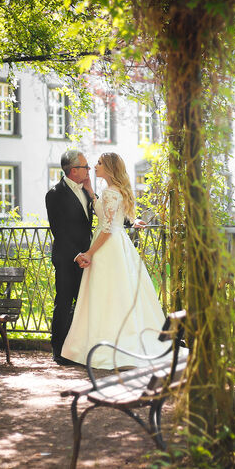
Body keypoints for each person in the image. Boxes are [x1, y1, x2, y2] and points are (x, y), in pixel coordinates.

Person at [61, 152, 167, 369]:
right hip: (119, 246)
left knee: (106, 296)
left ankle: (106, 346)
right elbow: (110, 215)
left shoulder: (110, 192)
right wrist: (90, 190)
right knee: (117, 296)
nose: (95, 166)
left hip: (107, 247)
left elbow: (107, 228)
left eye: (99, 163)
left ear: (108, 168)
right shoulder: (111, 191)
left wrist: (89, 253)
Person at [45, 150, 94, 365]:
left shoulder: (86, 191)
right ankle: (59, 351)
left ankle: (79, 349)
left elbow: (105, 215)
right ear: (73, 170)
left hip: (88, 258)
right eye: (85, 166)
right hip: (67, 258)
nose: (89, 169)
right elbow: (59, 231)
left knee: (84, 304)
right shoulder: (54, 194)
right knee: (64, 303)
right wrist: (76, 255)